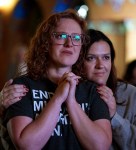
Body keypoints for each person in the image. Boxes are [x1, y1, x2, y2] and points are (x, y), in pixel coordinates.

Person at [0, 10, 112, 150]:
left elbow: (100, 146)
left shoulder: (92, 90)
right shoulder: (22, 87)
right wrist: (58, 98)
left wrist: (71, 101)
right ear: (46, 42)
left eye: (76, 38)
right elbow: (27, 146)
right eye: (61, 36)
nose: (69, 43)